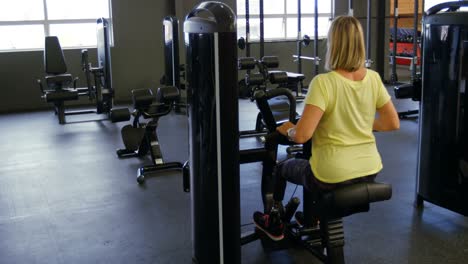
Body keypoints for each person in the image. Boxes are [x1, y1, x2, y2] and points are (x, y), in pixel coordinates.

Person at [252, 15, 400, 241]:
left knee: (283, 168)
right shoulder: (373, 78)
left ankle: (273, 222)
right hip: (370, 170)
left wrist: (288, 129)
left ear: (334, 45)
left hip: (331, 176)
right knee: (313, 166)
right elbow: (392, 123)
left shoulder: (324, 83)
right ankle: (313, 219)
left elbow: (302, 136)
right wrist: (357, 122)